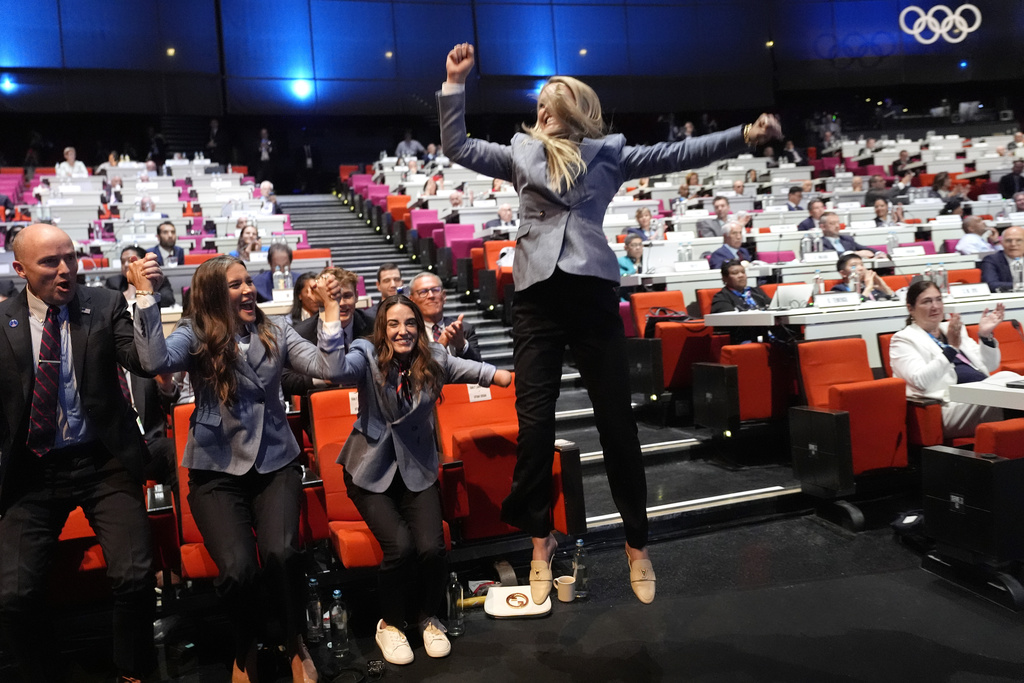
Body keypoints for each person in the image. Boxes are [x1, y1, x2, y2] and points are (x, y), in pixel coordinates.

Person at [439, 42, 781, 605]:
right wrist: (456, 84)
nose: (544, 110)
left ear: (575, 109)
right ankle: (539, 538)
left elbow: (679, 153)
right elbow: (456, 144)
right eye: (542, 103)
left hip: (593, 290)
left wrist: (741, 136)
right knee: (534, 426)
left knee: (617, 424)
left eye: (554, 102)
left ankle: (637, 543)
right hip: (536, 300)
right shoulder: (521, 151)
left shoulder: (609, 153)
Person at [129, 254, 344, 683]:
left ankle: (294, 637)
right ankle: (245, 645)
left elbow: (331, 368)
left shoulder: (275, 328)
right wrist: (145, 297)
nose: (248, 290)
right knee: (237, 567)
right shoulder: (193, 333)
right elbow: (153, 362)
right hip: (214, 469)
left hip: (275, 461)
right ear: (212, 293)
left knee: (283, 553)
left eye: (249, 282)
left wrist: (331, 312)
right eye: (235, 285)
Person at [0, 223, 156, 682]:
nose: (66, 269)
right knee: (12, 594)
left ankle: (133, 671)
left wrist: (144, 298)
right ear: (20, 269)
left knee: (134, 575)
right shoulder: (2, 321)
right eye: (51, 262)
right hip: (32, 470)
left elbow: (144, 360)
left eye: (71, 257)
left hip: (103, 460)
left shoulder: (104, 304)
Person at [336, 294, 510, 665]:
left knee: (432, 546)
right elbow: (337, 369)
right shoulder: (365, 355)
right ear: (383, 328)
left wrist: (499, 375)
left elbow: (466, 368)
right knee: (400, 546)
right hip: (370, 471)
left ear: (419, 326)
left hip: (415, 468)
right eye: (394, 324)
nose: (403, 331)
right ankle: (391, 624)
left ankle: (427, 617)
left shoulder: (434, 358)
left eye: (410, 323)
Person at [890, 280, 1017, 440]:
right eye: (927, 301)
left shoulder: (953, 329)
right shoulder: (903, 339)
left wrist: (985, 336)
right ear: (911, 308)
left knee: (1008, 378)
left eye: (938, 299)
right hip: (949, 406)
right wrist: (951, 349)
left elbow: (990, 365)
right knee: (1007, 392)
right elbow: (920, 382)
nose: (935, 306)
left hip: (980, 393)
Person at [281, 267, 371, 405]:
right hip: (321, 410)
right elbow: (284, 378)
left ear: (357, 296)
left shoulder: (374, 326)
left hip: (367, 408)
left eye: (346, 296)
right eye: (334, 298)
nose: (341, 304)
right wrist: (323, 377)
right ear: (322, 299)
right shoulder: (301, 333)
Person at [710, 259, 771, 344]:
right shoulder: (721, 297)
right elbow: (729, 323)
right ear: (725, 278)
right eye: (735, 273)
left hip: (767, 334)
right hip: (742, 340)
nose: (741, 275)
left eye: (743, 272)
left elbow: (772, 307)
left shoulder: (756, 292)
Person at [106, 245, 177, 307]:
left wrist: (145, 290)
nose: (126, 265)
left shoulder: (157, 279)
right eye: (123, 262)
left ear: (144, 262)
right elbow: (108, 305)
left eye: (130, 260)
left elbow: (168, 300)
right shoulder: (114, 282)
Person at [980, 225, 1024, 291]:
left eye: (1019, 240)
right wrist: (1019, 286)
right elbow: (991, 284)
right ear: (1002, 243)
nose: (1013, 244)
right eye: (1008, 241)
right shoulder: (991, 260)